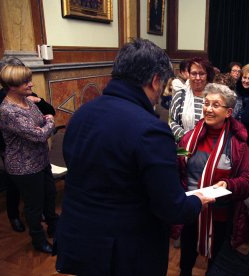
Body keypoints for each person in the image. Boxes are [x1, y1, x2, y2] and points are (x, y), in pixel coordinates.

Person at [54, 39, 215, 276]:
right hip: (124, 253)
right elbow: (171, 208)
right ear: (155, 80)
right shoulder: (150, 129)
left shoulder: (81, 113)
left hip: (78, 238)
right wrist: (197, 200)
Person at [176, 83, 249, 275]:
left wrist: (229, 184)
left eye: (215, 105)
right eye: (206, 103)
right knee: (185, 260)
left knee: (216, 263)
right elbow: (178, 167)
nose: (208, 109)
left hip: (220, 214)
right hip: (190, 209)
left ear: (228, 112)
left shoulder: (237, 144)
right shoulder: (188, 139)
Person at [0, 64, 57, 254]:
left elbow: (40, 124)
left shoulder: (27, 101)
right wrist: (50, 122)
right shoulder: (8, 111)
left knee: (50, 196)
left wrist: (44, 123)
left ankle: (54, 228)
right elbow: (39, 133)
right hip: (24, 167)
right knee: (33, 205)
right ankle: (38, 240)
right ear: (12, 85)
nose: (31, 84)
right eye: (25, 82)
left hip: (41, 160)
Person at [169, 57, 215, 140]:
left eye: (201, 74)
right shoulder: (180, 95)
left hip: (208, 147)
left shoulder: (215, 97)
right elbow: (171, 121)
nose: (197, 78)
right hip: (183, 147)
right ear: (189, 75)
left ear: (207, 75)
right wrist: (188, 137)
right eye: (194, 73)